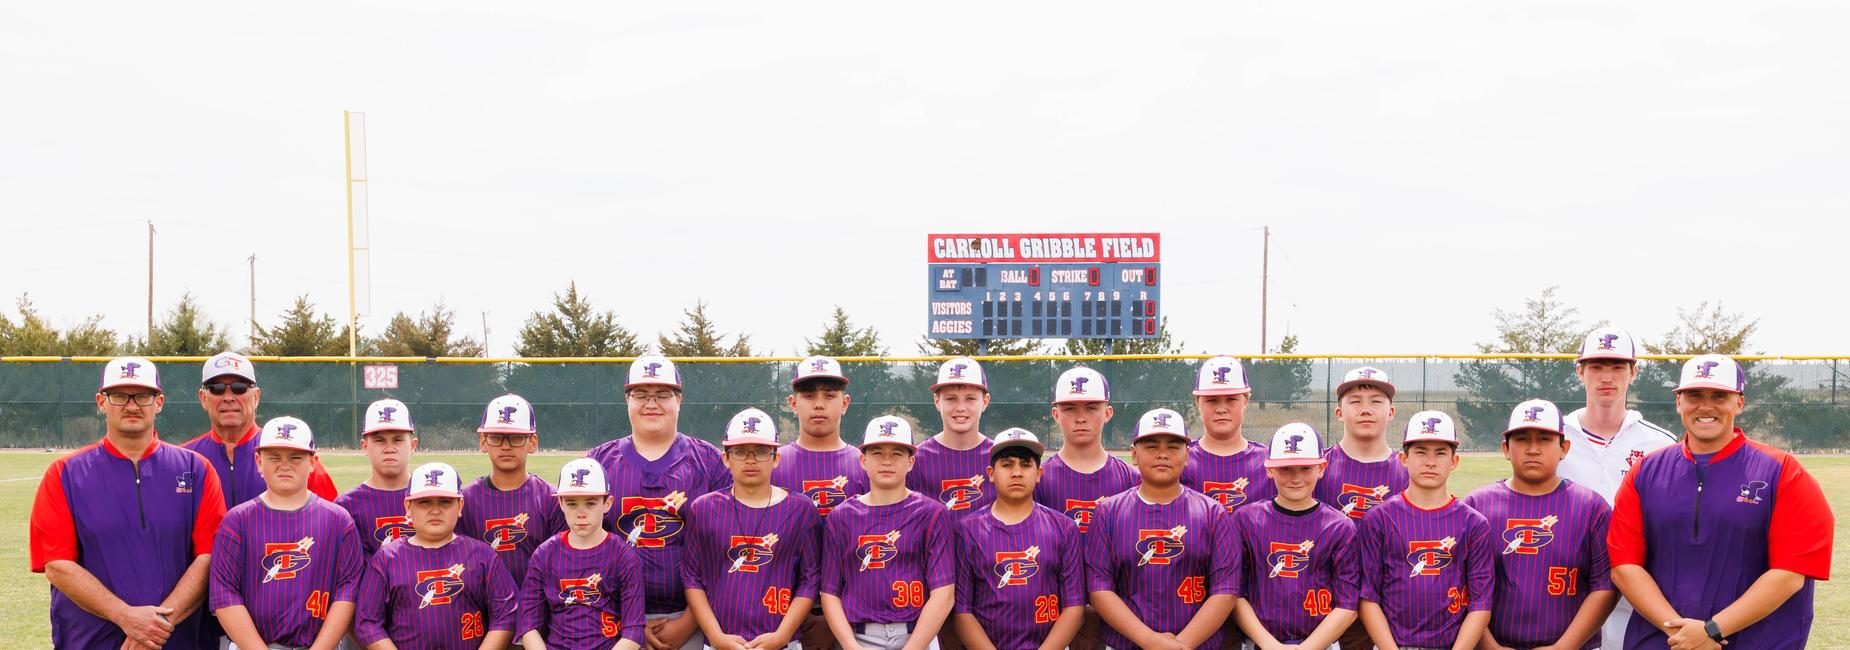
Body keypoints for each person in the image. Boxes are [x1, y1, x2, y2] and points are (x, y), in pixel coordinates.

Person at [1608, 355, 1834, 649]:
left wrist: (1712, 630)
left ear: (1739, 403)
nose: (1706, 406)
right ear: (1678, 403)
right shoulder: (1646, 472)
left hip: (1756, 640)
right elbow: (1624, 565)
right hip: (1664, 639)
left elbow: (1790, 573)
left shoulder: (1783, 471)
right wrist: (1682, 633)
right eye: (1694, 396)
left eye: (1719, 396)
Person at [30, 356, 227, 648]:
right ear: (101, 402)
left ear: (158, 402)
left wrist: (155, 628)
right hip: (92, 640)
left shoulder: (196, 470)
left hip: (177, 640)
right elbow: (57, 564)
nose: (132, 406)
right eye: (120, 396)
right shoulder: (65, 473)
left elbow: (209, 557)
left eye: (143, 396)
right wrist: (125, 617)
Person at [587, 355, 730, 650]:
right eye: (641, 395)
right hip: (612, 618)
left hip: (694, 618)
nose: (651, 404)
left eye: (662, 395)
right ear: (627, 400)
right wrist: (629, 624)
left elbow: (726, 550)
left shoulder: (709, 461)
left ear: (679, 399)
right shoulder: (599, 462)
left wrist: (690, 621)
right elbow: (581, 548)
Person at [1460, 400, 1614, 650]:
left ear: (1564, 448)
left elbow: (1605, 586)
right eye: (1522, 439)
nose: (1533, 449)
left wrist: (1563, 647)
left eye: (1544, 439)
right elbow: (1461, 583)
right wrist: (1489, 646)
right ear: (1506, 448)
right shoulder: (1477, 506)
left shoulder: (1590, 507)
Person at [1555, 327, 1676, 645]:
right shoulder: (1551, 438)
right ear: (1580, 371)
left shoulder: (1660, 443)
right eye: (1596, 366)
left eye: (1617, 366)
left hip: (1637, 589)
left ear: (1634, 371)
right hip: (1566, 588)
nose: (1606, 376)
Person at [1087, 408, 1239, 650]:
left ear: (1188, 455)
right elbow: (1099, 589)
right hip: (1127, 645)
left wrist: (1179, 646)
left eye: (1172, 446)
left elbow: (1226, 590)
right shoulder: (1108, 512)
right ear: (1134, 454)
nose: (1162, 454)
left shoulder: (1213, 513)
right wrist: (1151, 641)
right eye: (1151, 446)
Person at [209, 416, 365, 650]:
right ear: (259, 461)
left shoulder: (338, 520)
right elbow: (224, 595)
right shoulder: (237, 521)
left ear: (313, 461)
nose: (285, 464)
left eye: (295, 457)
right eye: (274, 457)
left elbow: (348, 592)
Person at [683, 409, 823, 650]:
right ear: (725, 458)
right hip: (721, 642)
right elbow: (692, 578)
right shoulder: (704, 509)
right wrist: (716, 637)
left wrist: (782, 635)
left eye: (760, 452)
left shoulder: (801, 509)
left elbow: (809, 580)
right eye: (739, 452)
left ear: (776, 457)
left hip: (783, 642)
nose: (750, 460)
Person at [1355, 411, 1493, 650]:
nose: (1431, 461)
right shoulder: (1379, 519)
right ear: (1403, 458)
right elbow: (1368, 597)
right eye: (1420, 452)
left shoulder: (1473, 522)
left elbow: (1481, 603)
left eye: (1440, 453)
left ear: (1454, 461)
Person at [820, 415, 956, 650]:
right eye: (877, 453)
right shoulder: (841, 517)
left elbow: (943, 594)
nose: (887, 461)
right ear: (862, 460)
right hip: (859, 638)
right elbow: (830, 593)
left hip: (917, 635)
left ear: (911, 462)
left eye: (897, 453)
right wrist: (850, 646)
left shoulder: (932, 514)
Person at [354, 462, 518, 649]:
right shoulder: (387, 559)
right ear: (408, 506)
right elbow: (367, 622)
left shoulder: (482, 555)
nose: (435, 510)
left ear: (460, 505)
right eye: (424, 502)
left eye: (445, 501)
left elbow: (507, 613)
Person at [951, 428, 1086, 650]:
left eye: (1025, 464)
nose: (1017, 472)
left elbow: (1074, 607)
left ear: (1039, 473)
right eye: (1007, 464)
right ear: (991, 473)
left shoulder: (1064, 528)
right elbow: (962, 611)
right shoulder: (967, 530)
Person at [1032, 366, 1138, 650]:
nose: (1080, 417)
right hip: (1051, 613)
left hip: (1121, 611)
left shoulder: (1131, 479)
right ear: (1055, 414)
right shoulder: (1038, 478)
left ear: (1108, 413)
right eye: (1069, 408)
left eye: (1091, 407)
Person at [1229, 423, 1359, 650]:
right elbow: (1234, 593)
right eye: (1286, 468)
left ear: (1321, 468)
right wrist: (1270, 645)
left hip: (1321, 644)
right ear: (1269, 469)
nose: (1296, 477)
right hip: (1259, 643)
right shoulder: (1246, 520)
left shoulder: (1340, 527)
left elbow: (1348, 604)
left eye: (1306, 468)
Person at [775, 355, 871, 650]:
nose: (819, 404)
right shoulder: (774, 463)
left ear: (844, 403)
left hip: (855, 610)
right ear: (793, 403)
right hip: (784, 611)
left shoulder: (867, 464)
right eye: (809, 395)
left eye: (830, 396)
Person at [517, 458, 646, 650]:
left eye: (590, 503)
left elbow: (634, 631)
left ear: (607, 503)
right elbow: (528, 625)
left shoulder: (623, 556)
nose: (581, 513)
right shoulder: (544, 554)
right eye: (572, 504)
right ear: (560, 503)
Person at [183, 351, 338, 508]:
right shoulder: (185, 459)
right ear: (203, 398)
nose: (228, 397)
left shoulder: (293, 450)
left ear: (255, 397)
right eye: (217, 388)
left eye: (239, 388)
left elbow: (331, 519)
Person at [459, 394, 565, 588]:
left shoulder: (552, 499)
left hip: (537, 612)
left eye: (516, 438)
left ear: (533, 442)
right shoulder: (464, 500)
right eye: (496, 437)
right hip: (482, 613)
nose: (505, 446)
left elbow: (559, 568)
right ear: (483, 441)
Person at [1314, 366, 1408, 523]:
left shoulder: (1408, 472)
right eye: (1355, 401)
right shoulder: (1317, 467)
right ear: (1339, 413)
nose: (1365, 410)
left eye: (1376, 401)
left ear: (1391, 412)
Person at [1181, 356, 1272, 513]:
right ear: (1197, 402)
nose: (1221, 409)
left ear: (1246, 401)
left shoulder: (1268, 461)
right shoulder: (1181, 459)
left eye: (1231, 399)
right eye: (1212, 400)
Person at [910, 356, 998, 518]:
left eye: (970, 398)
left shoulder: (1000, 457)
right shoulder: (917, 459)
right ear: (937, 401)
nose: (960, 408)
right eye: (951, 399)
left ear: (985, 402)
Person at [336, 398, 421, 557]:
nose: (389, 448)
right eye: (379, 440)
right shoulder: (346, 506)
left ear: (413, 445)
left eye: (398, 440)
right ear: (365, 446)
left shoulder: (434, 498)